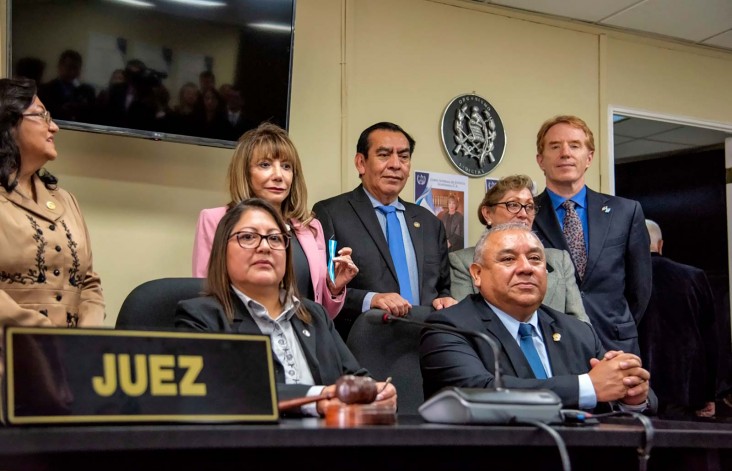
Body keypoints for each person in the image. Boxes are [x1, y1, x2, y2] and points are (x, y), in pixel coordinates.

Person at [177, 198, 396, 415]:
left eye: (275, 238)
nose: (264, 247)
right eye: (248, 237)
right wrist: (318, 399)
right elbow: (219, 390)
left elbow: (356, 378)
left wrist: (377, 394)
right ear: (222, 251)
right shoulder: (201, 317)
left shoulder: (313, 314)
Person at [420, 223, 654, 412]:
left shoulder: (578, 331)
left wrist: (630, 393)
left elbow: (643, 398)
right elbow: (478, 392)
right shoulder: (449, 327)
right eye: (508, 259)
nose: (526, 268)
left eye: (535, 259)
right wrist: (587, 387)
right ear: (477, 274)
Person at [192, 123, 357, 319]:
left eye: (286, 166)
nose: (279, 175)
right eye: (265, 165)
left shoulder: (310, 227)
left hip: (302, 339)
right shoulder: (215, 220)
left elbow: (322, 314)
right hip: (245, 337)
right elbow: (207, 298)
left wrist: (334, 288)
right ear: (245, 173)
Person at [313, 122, 456, 338]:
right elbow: (323, 289)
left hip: (428, 343)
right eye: (384, 155)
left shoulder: (429, 222)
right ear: (361, 163)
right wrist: (371, 299)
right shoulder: (331, 214)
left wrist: (444, 300)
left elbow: (443, 288)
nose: (396, 165)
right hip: (365, 345)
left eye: (404, 156)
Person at [532, 115, 651, 355]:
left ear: (589, 158)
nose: (565, 153)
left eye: (575, 145)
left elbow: (640, 290)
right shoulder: (525, 215)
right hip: (549, 345)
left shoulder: (625, 212)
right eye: (555, 146)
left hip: (615, 343)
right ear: (540, 160)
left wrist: (619, 324)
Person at [0, 77, 105, 331]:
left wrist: (84, 340)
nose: (54, 127)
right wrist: (45, 336)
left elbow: (90, 285)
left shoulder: (66, 200)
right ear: (8, 123)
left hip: (68, 357)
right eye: (42, 116)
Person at [449, 175, 588, 322]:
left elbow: (581, 326)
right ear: (487, 213)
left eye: (529, 206)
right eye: (513, 205)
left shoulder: (559, 259)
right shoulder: (462, 262)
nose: (523, 214)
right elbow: (467, 325)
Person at [640, 220, 716, 418]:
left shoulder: (621, 278)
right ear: (660, 245)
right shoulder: (694, 277)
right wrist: (711, 393)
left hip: (638, 387)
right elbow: (710, 338)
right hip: (687, 387)